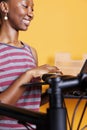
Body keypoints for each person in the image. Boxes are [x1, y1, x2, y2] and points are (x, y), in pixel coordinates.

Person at [0, 0, 62, 129]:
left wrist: (57, 90)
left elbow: (29, 101)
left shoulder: (30, 51)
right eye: (25, 6)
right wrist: (29, 74)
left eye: (32, 9)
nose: (31, 14)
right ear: (4, 7)